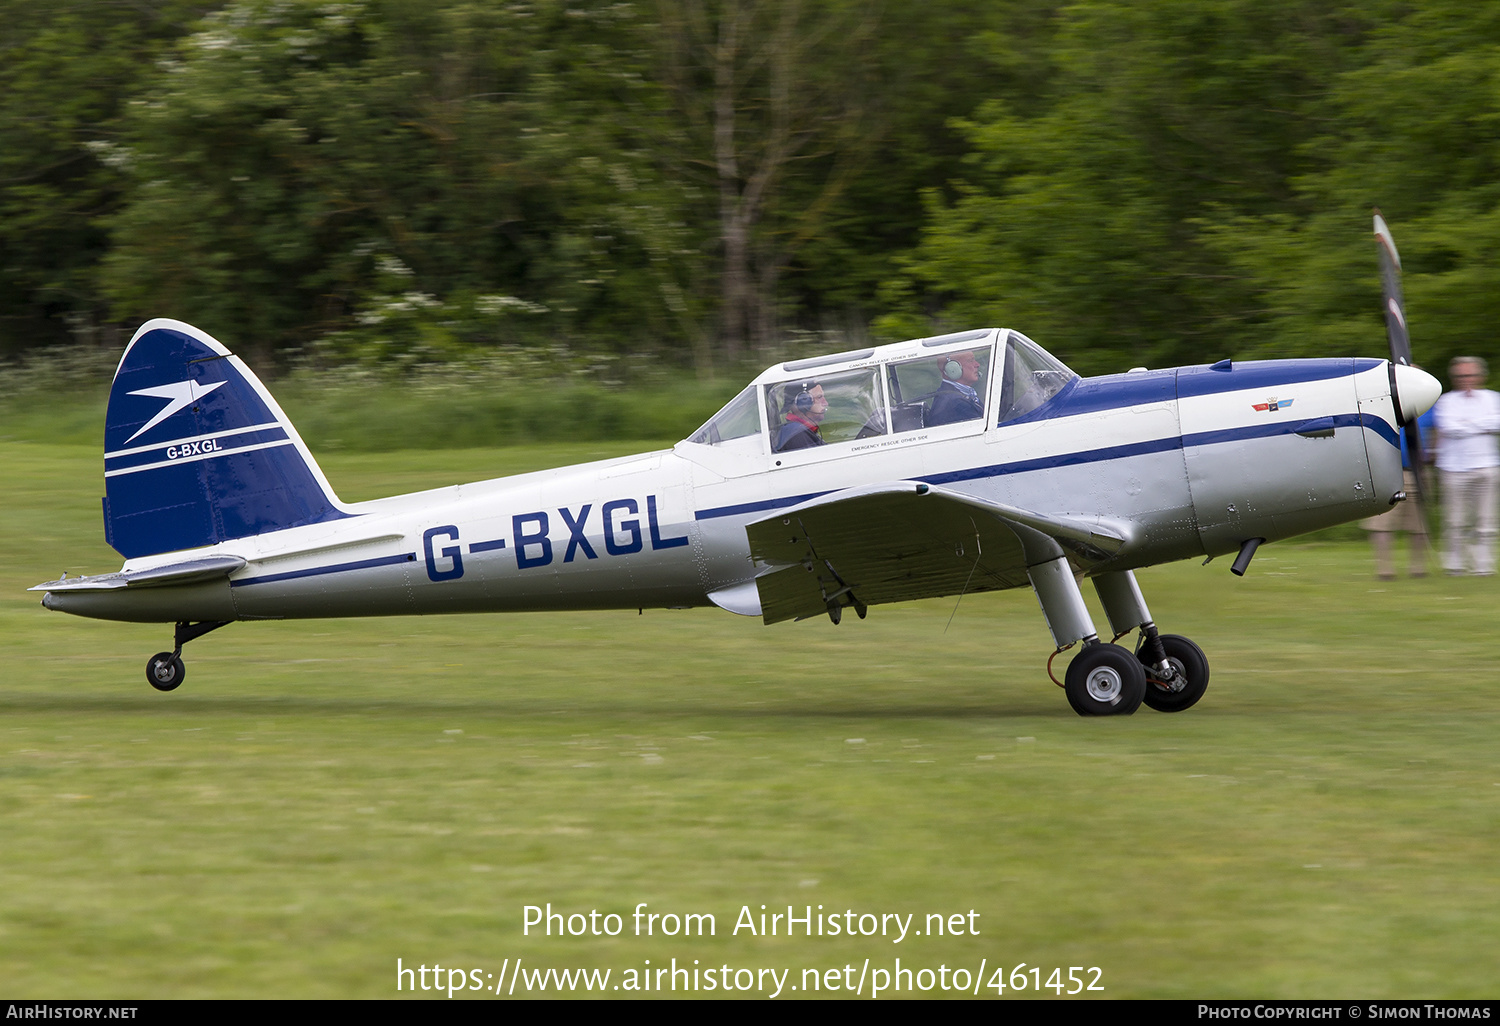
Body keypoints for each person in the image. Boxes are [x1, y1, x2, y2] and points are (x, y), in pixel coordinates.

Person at [1432, 356, 1500, 575]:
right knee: (1455, 519)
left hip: (1486, 465)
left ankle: (1482, 565)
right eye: (1461, 376)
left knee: (1486, 519)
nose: (1465, 379)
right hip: (1454, 468)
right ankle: (1455, 564)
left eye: (1470, 375)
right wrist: (1481, 424)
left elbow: (1497, 423)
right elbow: (1449, 427)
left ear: (1480, 376)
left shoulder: (1492, 398)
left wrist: (1467, 424)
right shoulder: (1446, 401)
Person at [1361, 406, 1434, 579]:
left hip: (1416, 470)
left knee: (1418, 523)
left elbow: (1436, 433)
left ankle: (1418, 568)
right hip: (1383, 471)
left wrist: (1429, 457)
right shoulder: (1376, 405)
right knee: (1381, 523)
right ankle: (1384, 569)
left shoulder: (1427, 407)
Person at [926, 350, 984, 426]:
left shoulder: (958, 395)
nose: (977, 364)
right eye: (970, 361)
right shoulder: (956, 404)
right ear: (953, 369)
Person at [773, 381, 828, 452]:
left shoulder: (801, 431)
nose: (826, 403)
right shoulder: (796, 434)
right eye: (819, 397)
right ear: (803, 402)